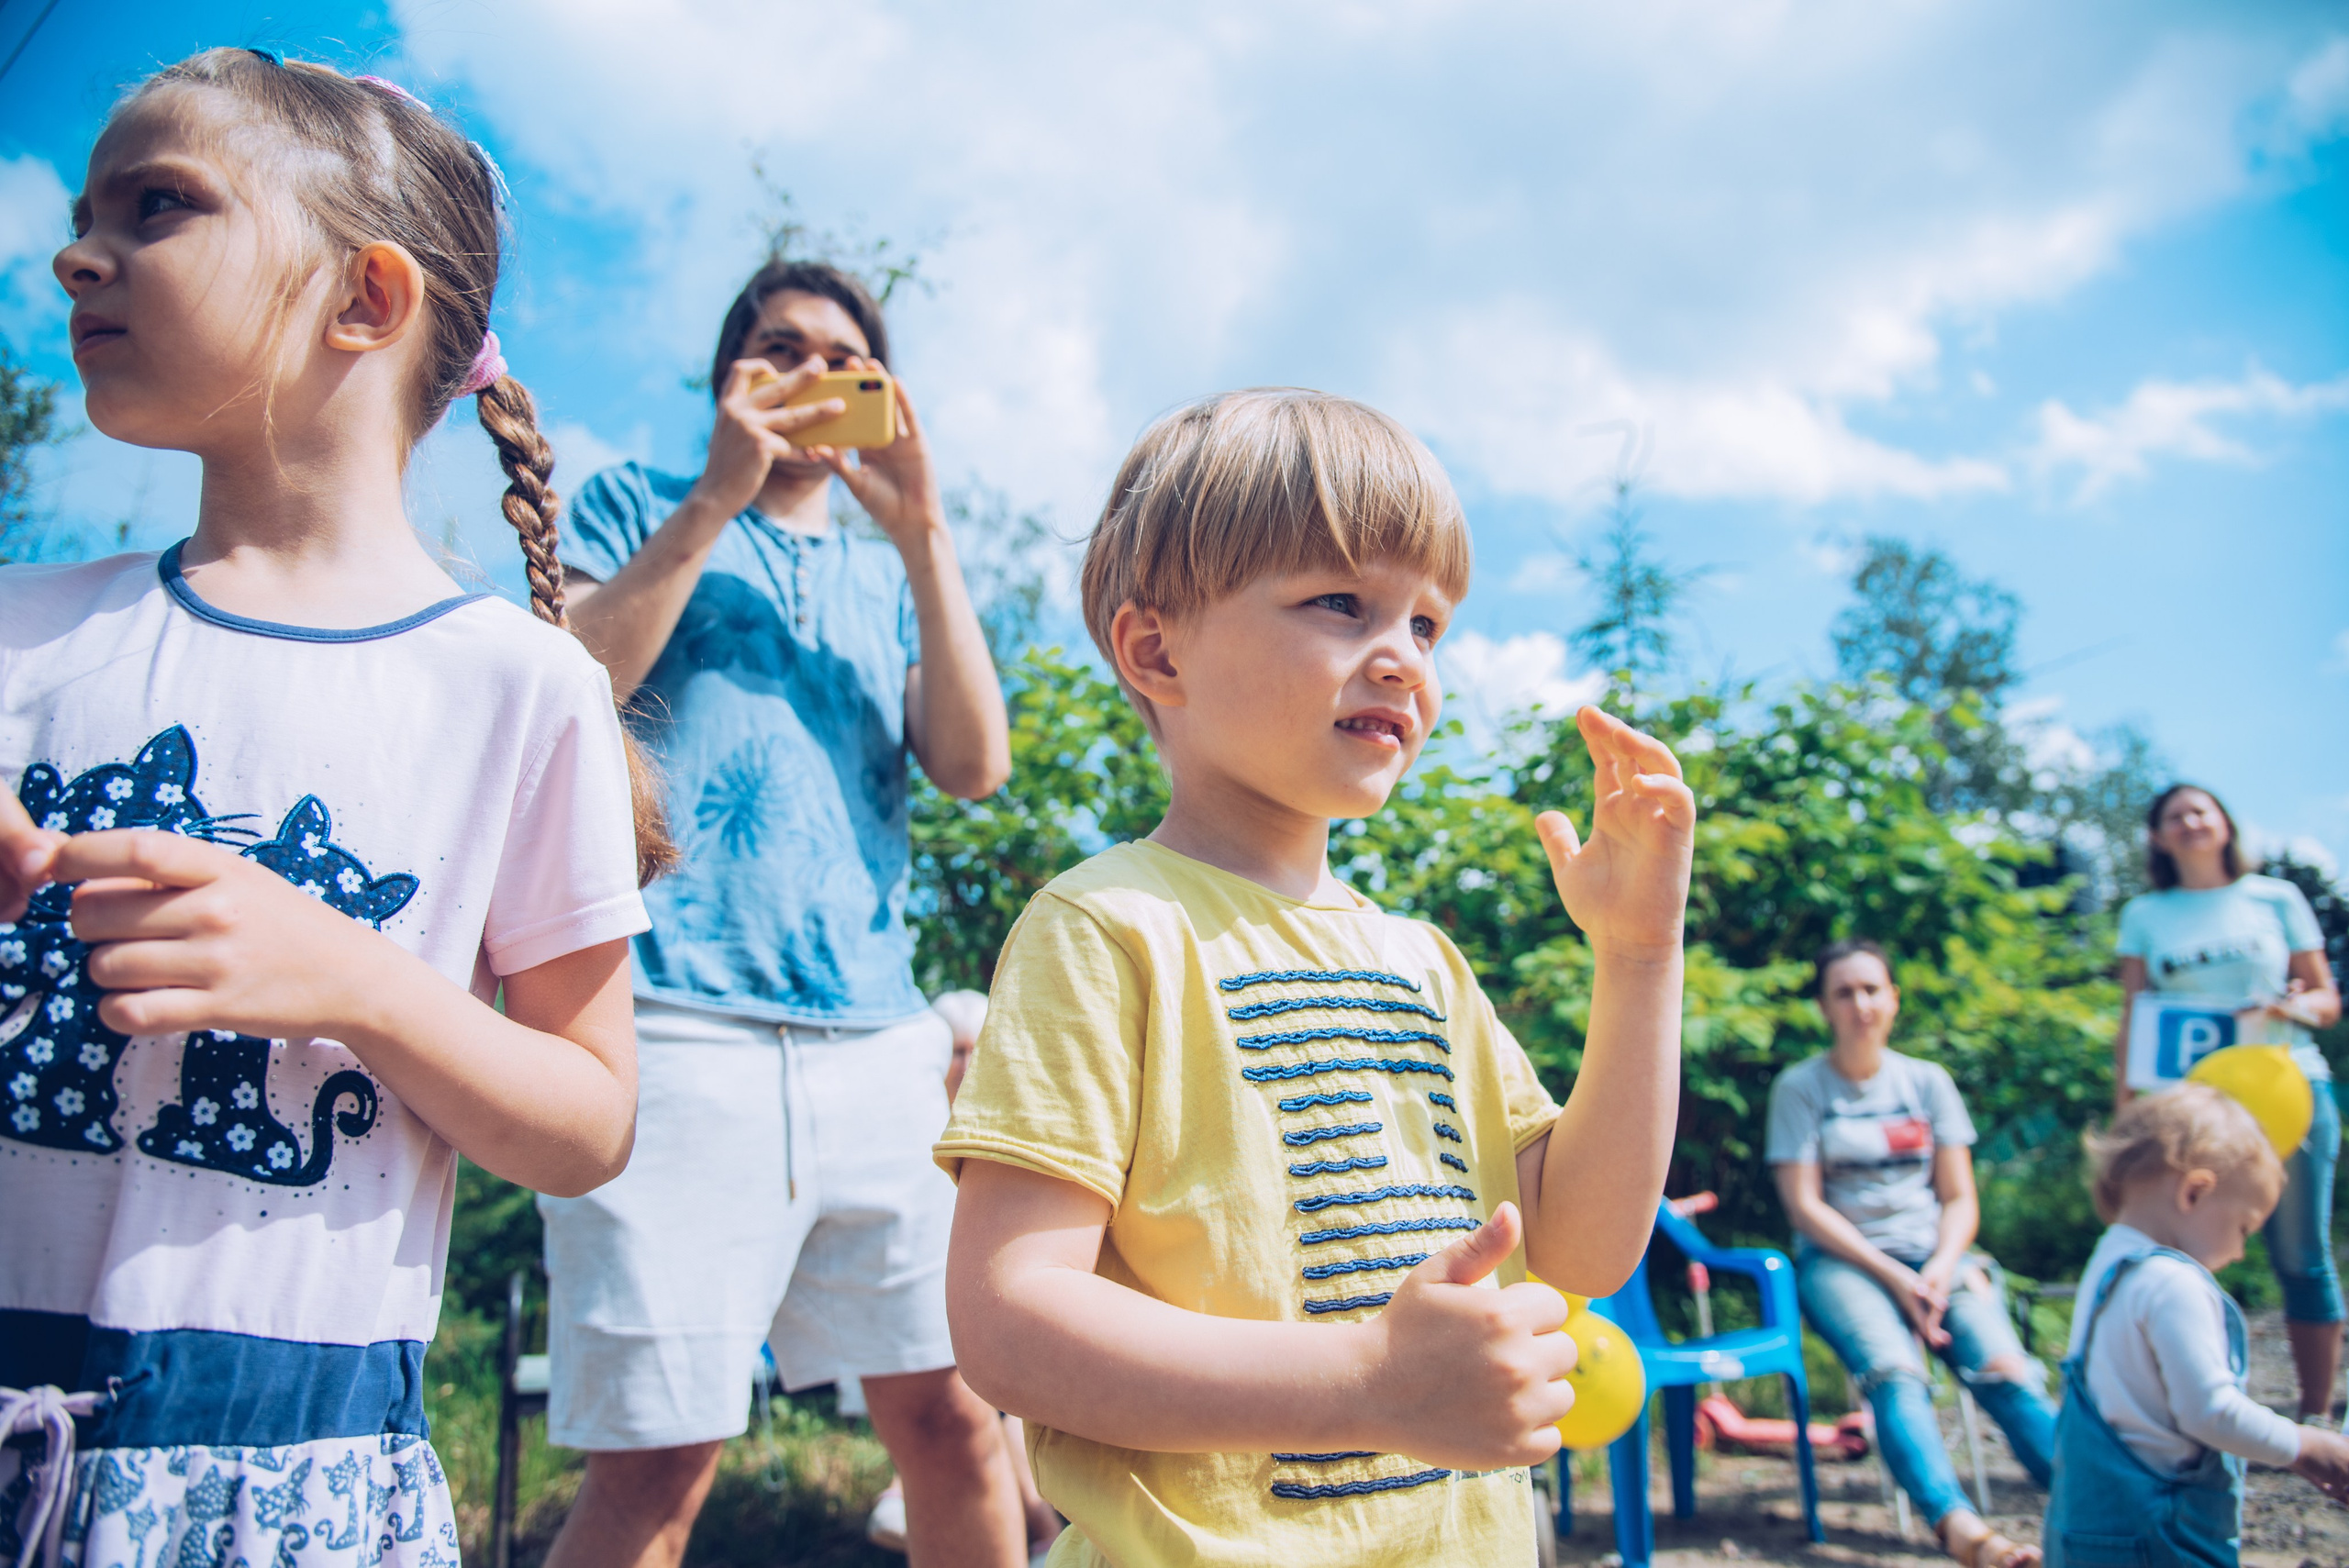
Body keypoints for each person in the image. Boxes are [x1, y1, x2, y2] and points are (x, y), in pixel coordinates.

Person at [0, 50, 658, 1568]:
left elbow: (586, 1120)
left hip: (290, 1469)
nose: (74, 249)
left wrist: (359, 979)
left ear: (367, 297)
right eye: (90, 207)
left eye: (159, 204)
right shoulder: (20, 627)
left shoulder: (518, 683)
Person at [934, 388, 1697, 1566]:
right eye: (1342, 602)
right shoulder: (1107, 928)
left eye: (1428, 624)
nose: (1400, 655)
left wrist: (1641, 957)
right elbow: (1008, 1319)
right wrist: (1365, 1382)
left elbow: (1584, 1247)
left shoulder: (1424, 961)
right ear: (1156, 649)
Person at [537, 259, 1022, 1568]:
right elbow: (570, 688)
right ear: (727, 380)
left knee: (958, 1425)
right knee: (660, 1466)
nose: (812, 376)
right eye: (778, 348)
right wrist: (716, 495)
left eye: (843, 360)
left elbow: (976, 760)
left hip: (879, 1041)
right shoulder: (643, 500)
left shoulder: (885, 573)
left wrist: (923, 533)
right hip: (677, 1027)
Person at [1769, 939, 2057, 1568]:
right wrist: (1896, 1277)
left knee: (2003, 1367)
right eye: (1844, 991)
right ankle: (1961, 1531)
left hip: (1939, 1258)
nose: (1860, 1003)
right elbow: (1805, 1208)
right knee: (1895, 1374)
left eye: (1872, 988)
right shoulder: (1800, 1088)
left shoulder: (1928, 1081)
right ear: (1824, 1006)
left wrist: (1939, 1269)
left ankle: (2093, 1498)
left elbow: (1959, 1197)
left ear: (1893, 998)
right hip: (1844, 1262)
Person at [2046, 1084, 2349, 1568]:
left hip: (2083, 1534)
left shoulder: (2108, 1262)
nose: (2240, 1252)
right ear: (2194, 1191)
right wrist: (2305, 1444)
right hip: (2157, 1540)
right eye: (2244, 1228)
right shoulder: (2172, 1282)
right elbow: (2209, 1412)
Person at [2116, 784, 2344, 1423]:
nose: (2189, 822)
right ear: (2158, 836)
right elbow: (2135, 1017)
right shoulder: (2144, 913)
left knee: (2302, 1255)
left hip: (2288, 1088)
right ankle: (2202, 1409)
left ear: (2223, 823)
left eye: (2200, 810)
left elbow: (2327, 1000)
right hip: (2197, 1109)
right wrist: (2126, 1110)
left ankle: (2317, 1417)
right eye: (2173, 816)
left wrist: (2290, 1006)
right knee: (2187, 1256)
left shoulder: (2276, 898)